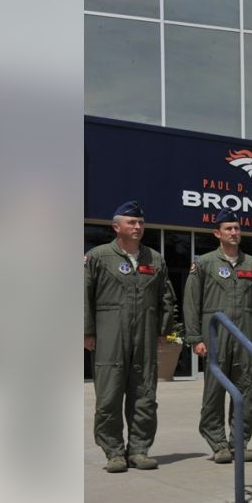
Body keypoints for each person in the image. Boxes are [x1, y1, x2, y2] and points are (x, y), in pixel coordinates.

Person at [84, 200, 177, 473]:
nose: (137, 227)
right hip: (109, 335)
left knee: (144, 394)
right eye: (131, 223)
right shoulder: (98, 257)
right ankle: (113, 452)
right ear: (116, 227)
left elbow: (166, 297)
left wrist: (164, 329)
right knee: (109, 395)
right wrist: (86, 331)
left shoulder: (154, 259)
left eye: (140, 223)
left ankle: (138, 450)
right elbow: (83, 295)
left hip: (145, 336)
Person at [183, 208, 252, 464]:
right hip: (215, 336)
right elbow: (191, 303)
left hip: (247, 336)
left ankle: (239, 443)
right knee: (214, 392)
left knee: (246, 391)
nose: (234, 232)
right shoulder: (205, 263)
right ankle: (218, 443)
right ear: (217, 233)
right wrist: (195, 337)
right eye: (228, 229)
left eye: (237, 228)